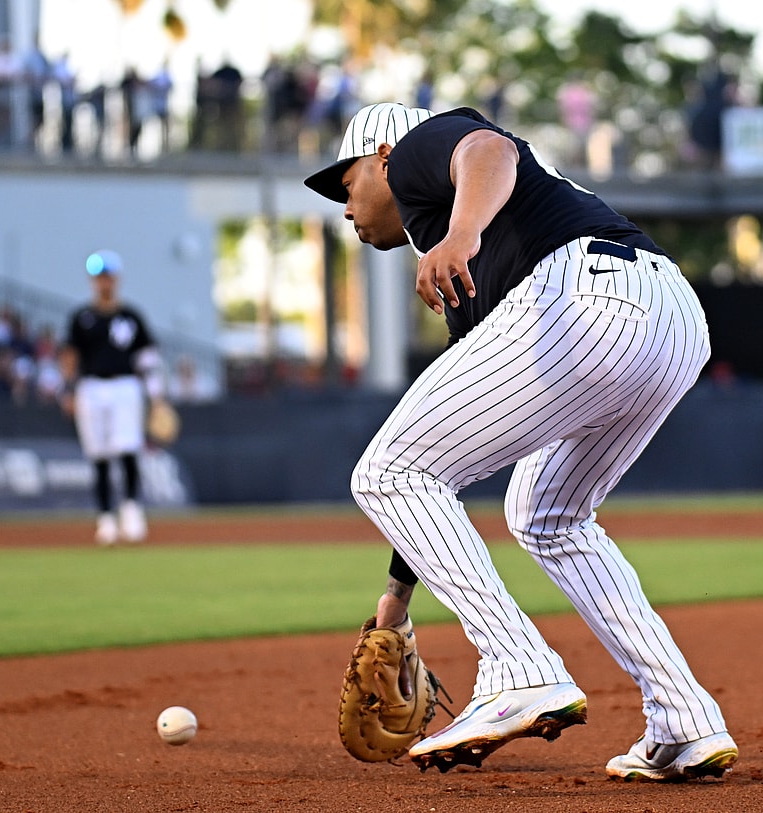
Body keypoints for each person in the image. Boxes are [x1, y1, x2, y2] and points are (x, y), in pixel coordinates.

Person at [303, 103, 737, 780]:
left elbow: (487, 149)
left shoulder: (421, 156)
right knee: (545, 513)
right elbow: (438, 461)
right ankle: (684, 717)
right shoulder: (463, 270)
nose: (346, 203)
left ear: (383, 155)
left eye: (345, 180)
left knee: (384, 472)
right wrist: (397, 599)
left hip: (586, 299)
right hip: (671, 320)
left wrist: (463, 231)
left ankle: (519, 667)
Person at [59, 249, 164, 545]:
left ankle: (131, 512)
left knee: (128, 448)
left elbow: (147, 359)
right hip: (91, 387)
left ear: (116, 279)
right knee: (99, 454)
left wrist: (156, 397)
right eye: (98, 277)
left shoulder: (131, 317)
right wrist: (67, 390)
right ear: (93, 281)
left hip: (125, 387)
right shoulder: (83, 318)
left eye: (107, 276)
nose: (103, 282)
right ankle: (105, 519)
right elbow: (70, 356)